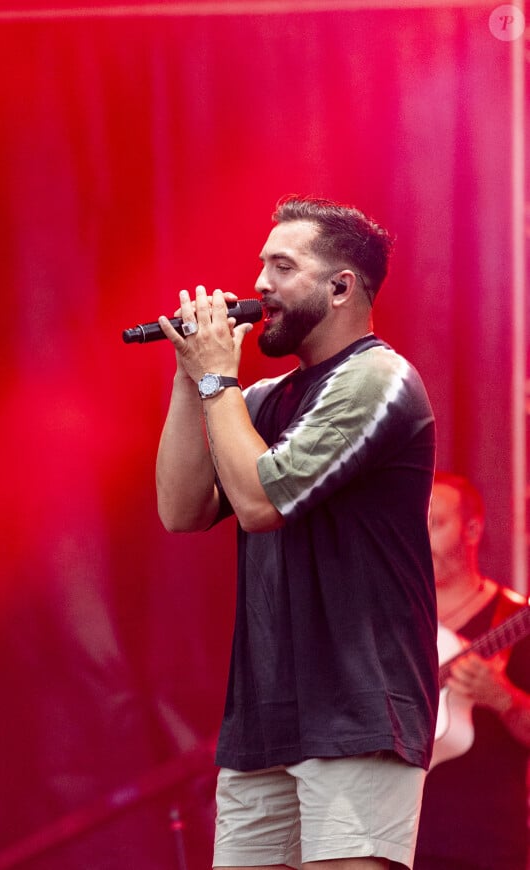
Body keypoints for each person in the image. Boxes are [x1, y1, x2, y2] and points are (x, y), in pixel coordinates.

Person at [155, 195, 438, 870]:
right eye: (261, 266)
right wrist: (187, 373)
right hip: (264, 720)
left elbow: (258, 503)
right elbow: (180, 510)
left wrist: (218, 377)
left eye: (283, 267)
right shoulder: (255, 402)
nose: (259, 285)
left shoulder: (378, 378)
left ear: (341, 287)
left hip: (359, 714)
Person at [414, 471, 530, 870]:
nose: (421, 537)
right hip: (397, 837)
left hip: (488, 846)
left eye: (436, 524)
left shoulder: (513, 620)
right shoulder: (396, 622)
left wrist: (503, 698)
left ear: (473, 529)